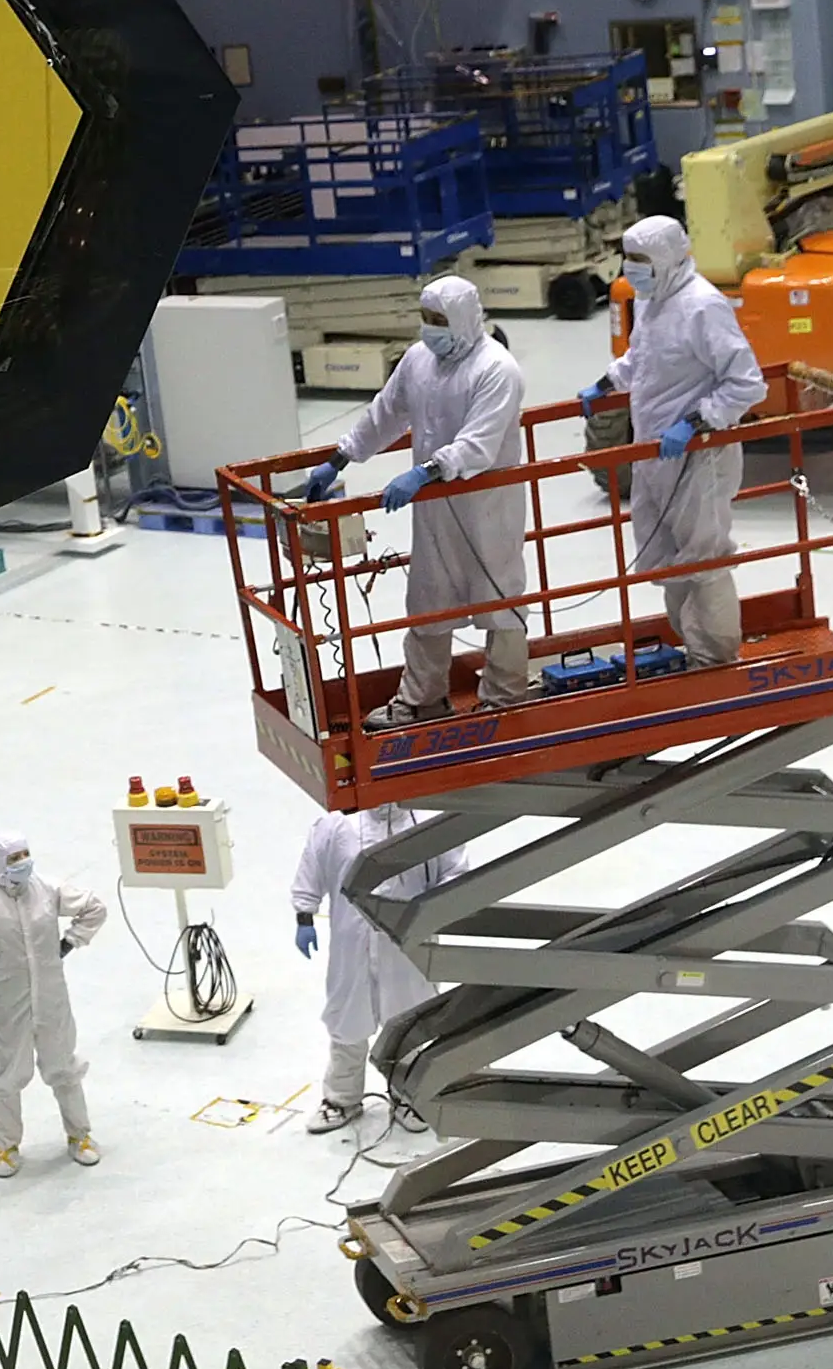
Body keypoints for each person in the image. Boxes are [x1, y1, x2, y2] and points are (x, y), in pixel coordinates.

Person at [301, 276, 533, 729]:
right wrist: (340, 458)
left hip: (486, 505)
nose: (430, 329)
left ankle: (505, 698)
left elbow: (478, 445)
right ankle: (422, 699)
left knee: (497, 595)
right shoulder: (418, 360)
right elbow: (384, 413)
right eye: (425, 318)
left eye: (439, 320)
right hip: (434, 508)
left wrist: (423, 472)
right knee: (429, 596)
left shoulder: (497, 369)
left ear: (463, 318)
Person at [579, 215, 768, 667]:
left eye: (640, 259)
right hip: (654, 453)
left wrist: (696, 422)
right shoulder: (652, 299)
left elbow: (746, 383)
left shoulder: (703, 306)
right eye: (627, 258)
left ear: (666, 258)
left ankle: (716, 658)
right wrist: (606, 383)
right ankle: (690, 646)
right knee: (667, 556)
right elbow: (643, 357)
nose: (631, 268)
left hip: (698, 456)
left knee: (704, 558)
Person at [0, 832, 107, 1177]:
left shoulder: (49, 890)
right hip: (6, 998)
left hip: (51, 993)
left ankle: (80, 1135)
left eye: (25, 854)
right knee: (6, 1073)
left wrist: (69, 942)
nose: (23, 862)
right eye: (14, 857)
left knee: (63, 1065)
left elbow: (94, 908)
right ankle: (6, 1146)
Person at [293, 801, 466, 1133]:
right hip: (351, 946)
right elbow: (311, 867)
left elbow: (456, 873)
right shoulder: (337, 825)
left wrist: (442, 910)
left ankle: (409, 1097)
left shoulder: (431, 823)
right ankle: (341, 1099)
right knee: (347, 1023)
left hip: (409, 948)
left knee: (410, 1022)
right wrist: (304, 915)